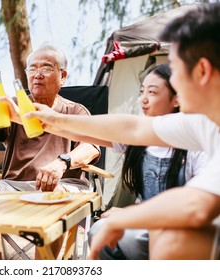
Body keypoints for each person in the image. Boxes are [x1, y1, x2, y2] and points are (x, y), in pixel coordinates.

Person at [27, 3, 220, 260]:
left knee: (173, 241)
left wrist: (127, 215)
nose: (172, 80)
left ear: (203, 71)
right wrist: (51, 120)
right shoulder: (202, 124)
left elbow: (197, 206)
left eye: (175, 68)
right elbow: (133, 128)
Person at [0, 42, 100, 260]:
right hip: (14, 186)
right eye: (32, 69)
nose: (37, 74)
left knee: (55, 197)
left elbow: (91, 147)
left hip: (63, 186)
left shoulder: (75, 111)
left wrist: (62, 163)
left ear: (63, 76)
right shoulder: (13, 106)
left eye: (47, 68)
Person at [88, 64, 207, 259]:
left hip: (186, 227)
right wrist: (48, 122)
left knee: (131, 240)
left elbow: (197, 204)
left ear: (177, 99)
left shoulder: (195, 143)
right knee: (98, 230)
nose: (143, 99)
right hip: (147, 220)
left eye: (152, 92)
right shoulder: (139, 137)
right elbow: (90, 132)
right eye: (142, 91)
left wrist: (134, 213)